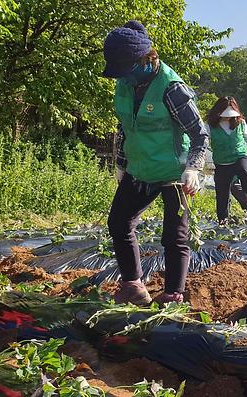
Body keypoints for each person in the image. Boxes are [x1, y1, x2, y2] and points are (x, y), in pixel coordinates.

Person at [102, 21, 207, 305]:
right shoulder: (125, 85)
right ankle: (133, 284)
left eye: (126, 71)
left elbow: (199, 133)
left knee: (174, 236)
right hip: (139, 169)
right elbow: (126, 127)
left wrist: (193, 168)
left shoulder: (171, 88)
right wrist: (121, 163)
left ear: (145, 60)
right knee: (119, 222)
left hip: (174, 173)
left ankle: (174, 293)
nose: (123, 78)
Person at [206, 96, 247, 225]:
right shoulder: (210, 126)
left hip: (240, 155)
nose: (228, 117)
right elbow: (203, 141)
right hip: (221, 162)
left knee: (244, 171)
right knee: (222, 194)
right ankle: (223, 220)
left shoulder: (240, 123)